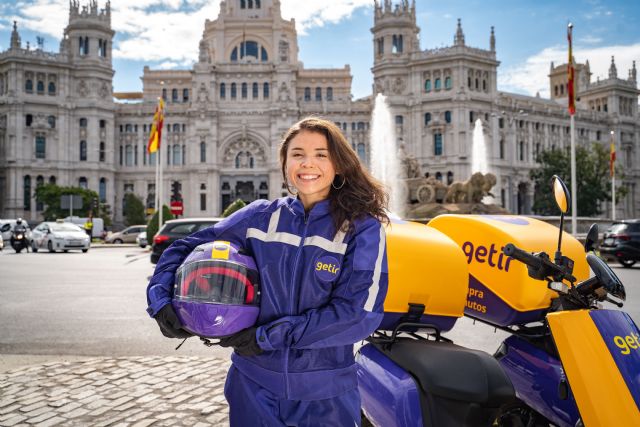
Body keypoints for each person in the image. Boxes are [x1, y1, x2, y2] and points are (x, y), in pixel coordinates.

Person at [146, 117, 390, 426]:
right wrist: (161, 300)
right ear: (285, 163)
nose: (308, 163)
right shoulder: (260, 218)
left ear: (339, 164)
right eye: (297, 154)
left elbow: (359, 315)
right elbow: (185, 247)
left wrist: (266, 338)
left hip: (325, 395)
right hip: (252, 386)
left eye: (321, 154)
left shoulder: (361, 227)